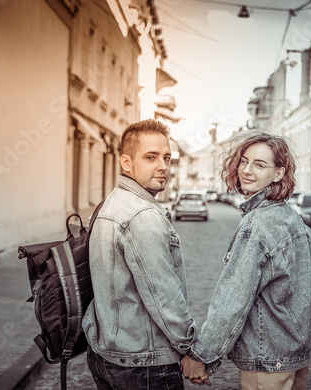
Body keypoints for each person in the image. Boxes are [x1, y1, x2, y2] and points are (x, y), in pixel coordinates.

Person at [181, 132, 311, 390]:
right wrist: (290, 308)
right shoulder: (289, 215)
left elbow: (233, 300)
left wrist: (201, 356)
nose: (247, 170)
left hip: (268, 357)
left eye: (260, 164)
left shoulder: (257, 224)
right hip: (296, 352)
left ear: (278, 174)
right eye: (244, 161)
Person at [83, 119, 197, 390]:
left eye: (166, 157)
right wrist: (188, 348)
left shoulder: (111, 203)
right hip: (143, 364)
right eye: (150, 157)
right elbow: (163, 297)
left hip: (107, 356)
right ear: (126, 163)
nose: (163, 166)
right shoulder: (141, 215)